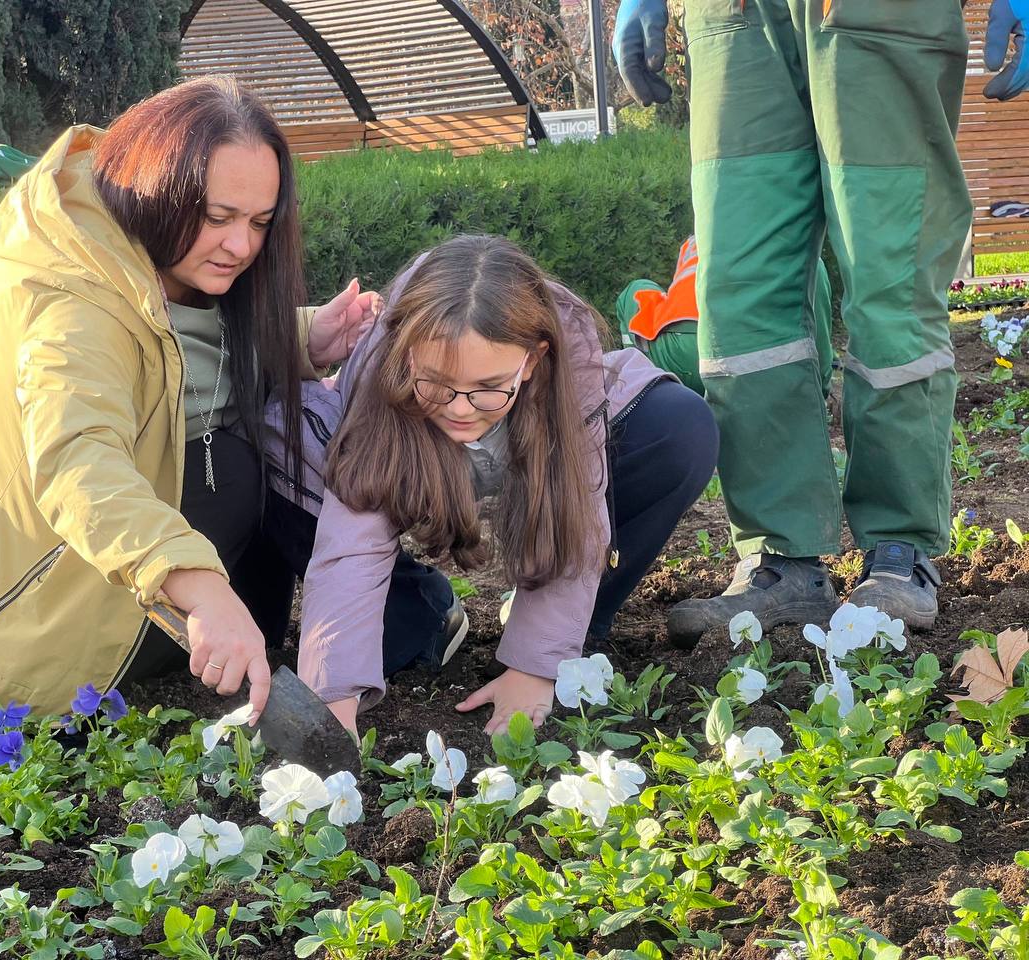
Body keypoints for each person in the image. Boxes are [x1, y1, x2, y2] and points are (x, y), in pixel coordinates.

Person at [0, 77, 377, 733]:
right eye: (218, 217)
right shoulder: (70, 297)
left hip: (21, 593)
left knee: (246, 446)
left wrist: (302, 336)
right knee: (230, 464)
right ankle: (368, 629)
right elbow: (78, 460)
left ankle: (370, 617)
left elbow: (167, 353)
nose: (241, 246)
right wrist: (202, 592)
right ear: (158, 188)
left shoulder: (120, 245)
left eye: (259, 223)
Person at [610, 0, 1020, 645]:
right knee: (737, 294)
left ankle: (899, 548)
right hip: (736, 18)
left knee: (893, 277)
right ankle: (782, 560)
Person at [259, 235, 719, 735]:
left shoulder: (568, 360)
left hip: (548, 438)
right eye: (438, 382)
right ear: (407, 353)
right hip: (398, 466)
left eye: (487, 387)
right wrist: (334, 696)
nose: (459, 408)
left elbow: (576, 506)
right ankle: (429, 606)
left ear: (533, 358)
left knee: (681, 425)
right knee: (395, 641)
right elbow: (354, 537)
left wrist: (534, 669)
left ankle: (562, 635)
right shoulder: (384, 368)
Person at [615, 235, 835, 399]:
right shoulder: (797, 244)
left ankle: (636, 390)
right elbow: (818, 336)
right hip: (749, 361)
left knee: (636, 290)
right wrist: (820, 390)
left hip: (681, 352)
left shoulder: (700, 232)